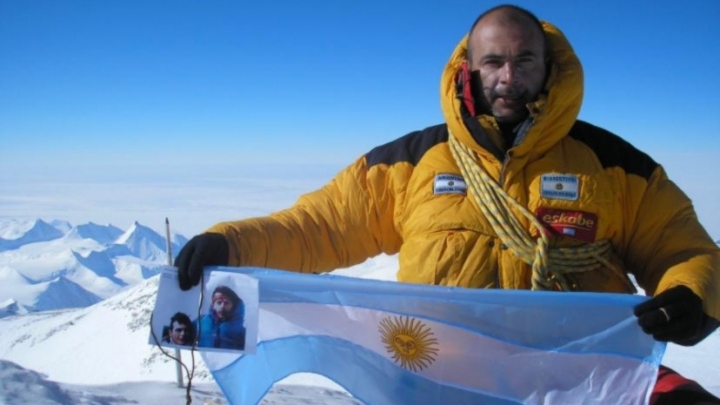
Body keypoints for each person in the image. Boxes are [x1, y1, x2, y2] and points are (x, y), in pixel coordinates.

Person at [175, 4, 720, 403]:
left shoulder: (616, 166)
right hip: (442, 375)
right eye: (494, 63)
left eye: (524, 60)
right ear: (469, 69)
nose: (509, 77)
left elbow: (683, 246)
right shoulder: (412, 162)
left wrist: (691, 295)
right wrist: (231, 242)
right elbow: (320, 227)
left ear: (549, 67)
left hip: (586, 373)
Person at [196, 285, 246, 350]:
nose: (222, 306)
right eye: (219, 302)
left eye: (226, 303)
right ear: (213, 305)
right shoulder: (201, 321)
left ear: (233, 306)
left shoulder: (241, 328)